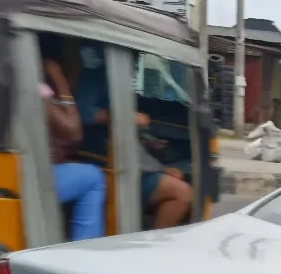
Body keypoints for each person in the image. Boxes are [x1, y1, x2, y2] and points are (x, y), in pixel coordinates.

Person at [73, 48, 193, 230]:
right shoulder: (96, 77)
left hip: (126, 157)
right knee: (182, 193)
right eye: (134, 56)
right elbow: (83, 113)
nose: (136, 63)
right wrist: (126, 115)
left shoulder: (118, 81)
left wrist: (148, 145)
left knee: (177, 172)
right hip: (105, 161)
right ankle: (151, 249)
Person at [42, 55, 106, 242]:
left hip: (31, 168)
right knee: (93, 178)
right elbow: (74, 130)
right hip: (30, 176)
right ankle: (85, 249)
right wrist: (60, 81)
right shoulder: (36, 89)